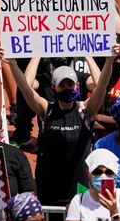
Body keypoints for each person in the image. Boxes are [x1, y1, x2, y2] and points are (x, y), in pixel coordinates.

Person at [10, 58, 113, 207]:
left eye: (70, 84)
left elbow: (101, 85)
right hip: (50, 187)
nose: (67, 88)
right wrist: (15, 63)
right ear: (53, 88)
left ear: (77, 86)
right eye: (62, 85)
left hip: (79, 186)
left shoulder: (85, 110)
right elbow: (25, 87)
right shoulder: (46, 110)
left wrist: (103, 60)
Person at [66, 148, 120, 221]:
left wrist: (114, 213)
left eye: (109, 172)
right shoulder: (78, 200)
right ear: (88, 173)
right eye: (97, 172)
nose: (103, 176)